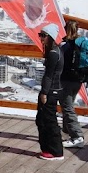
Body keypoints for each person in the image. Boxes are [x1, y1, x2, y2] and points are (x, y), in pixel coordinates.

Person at [36, 24, 65, 160]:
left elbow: (49, 75)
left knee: (48, 121)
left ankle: (55, 151)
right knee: (45, 119)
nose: (41, 38)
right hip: (55, 89)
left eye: (43, 35)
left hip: (50, 91)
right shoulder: (57, 51)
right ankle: (51, 149)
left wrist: (44, 93)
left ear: (50, 37)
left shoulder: (53, 54)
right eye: (40, 35)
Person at [59, 20, 85, 148]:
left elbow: (58, 61)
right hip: (78, 80)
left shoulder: (64, 45)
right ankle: (67, 131)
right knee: (67, 105)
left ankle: (77, 136)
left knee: (68, 107)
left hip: (66, 80)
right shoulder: (81, 44)